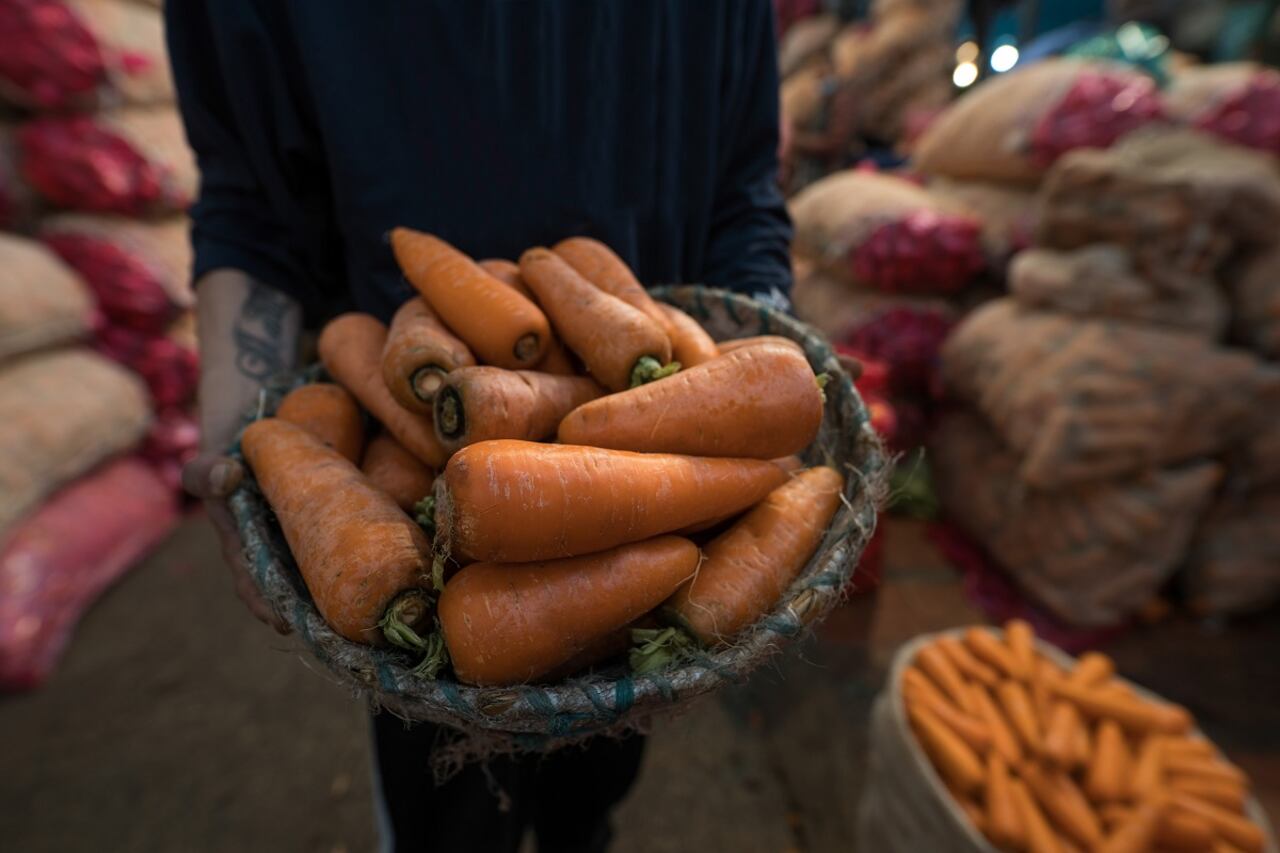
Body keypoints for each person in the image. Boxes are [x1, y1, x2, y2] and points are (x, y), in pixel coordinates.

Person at [168, 2, 792, 851]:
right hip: (407, 496)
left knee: (594, 798)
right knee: (443, 813)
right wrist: (242, 438)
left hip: (678, 503)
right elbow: (253, 204)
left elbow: (744, 191)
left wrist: (755, 377)